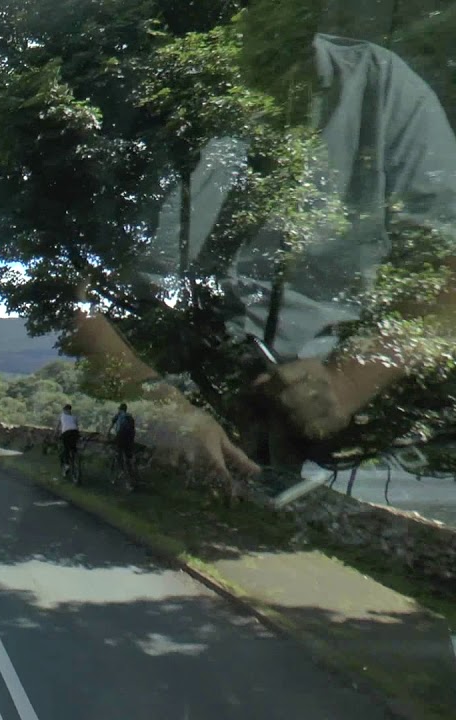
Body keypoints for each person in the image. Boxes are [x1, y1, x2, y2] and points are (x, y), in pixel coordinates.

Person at [71, 1, 456, 495]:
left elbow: (445, 270)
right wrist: (160, 405)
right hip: (171, 404)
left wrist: (348, 382)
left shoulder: (382, 89)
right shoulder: (140, 99)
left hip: (326, 444)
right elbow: (74, 293)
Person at [109, 403, 137, 477]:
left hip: (121, 434)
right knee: (128, 454)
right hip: (130, 435)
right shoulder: (130, 416)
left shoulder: (118, 415)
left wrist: (108, 432)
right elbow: (133, 428)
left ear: (120, 409)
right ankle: (131, 467)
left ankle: (121, 470)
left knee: (118, 452)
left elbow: (112, 424)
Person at [54, 404, 80, 477]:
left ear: (64, 410)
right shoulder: (74, 417)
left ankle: (66, 465)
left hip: (66, 433)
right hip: (75, 433)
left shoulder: (61, 415)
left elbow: (57, 426)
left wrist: (55, 434)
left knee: (66, 448)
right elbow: (77, 427)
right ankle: (75, 458)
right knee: (73, 447)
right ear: (70, 410)